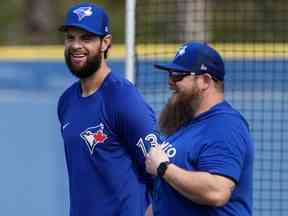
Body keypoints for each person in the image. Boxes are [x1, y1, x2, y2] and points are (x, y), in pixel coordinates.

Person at [57, 3, 161, 216]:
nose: (76, 45)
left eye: (86, 38)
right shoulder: (67, 101)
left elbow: (161, 172)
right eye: (71, 38)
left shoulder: (122, 98)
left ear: (105, 43)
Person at [145, 42, 254, 216]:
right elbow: (168, 197)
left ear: (205, 80)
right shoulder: (187, 126)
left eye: (178, 76)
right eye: (170, 76)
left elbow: (217, 191)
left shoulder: (225, 125)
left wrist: (164, 168)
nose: (170, 83)